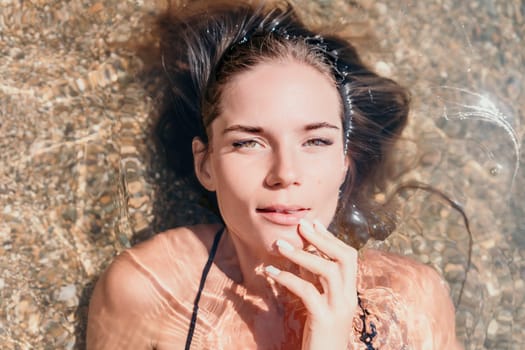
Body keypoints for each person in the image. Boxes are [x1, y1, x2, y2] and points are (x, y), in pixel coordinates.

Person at [87, 1, 462, 349]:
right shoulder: (146, 291)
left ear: (344, 163)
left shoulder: (413, 299)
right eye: (249, 143)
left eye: (315, 141)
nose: (285, 173)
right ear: (206, 165)